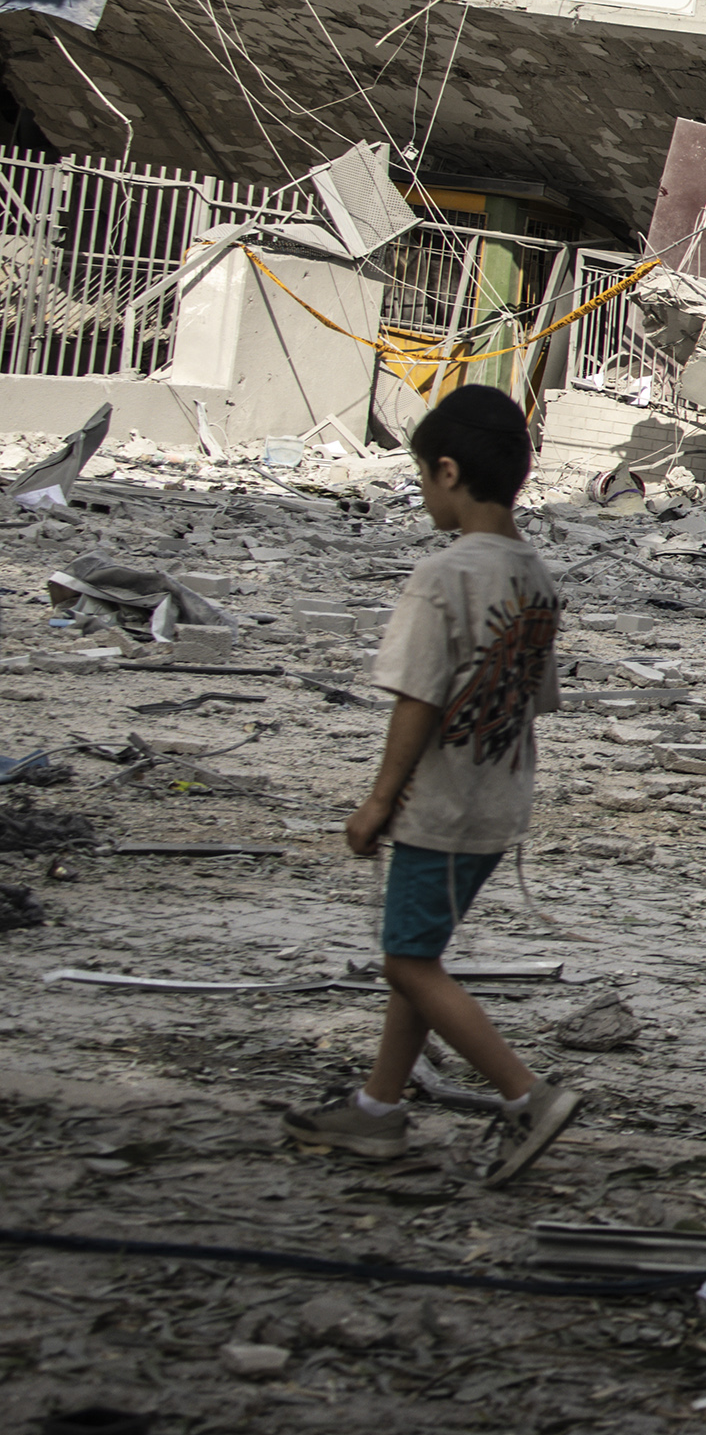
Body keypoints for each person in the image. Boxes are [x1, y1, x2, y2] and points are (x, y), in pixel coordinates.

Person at [286, 385, 582, 1180]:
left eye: (422, 477)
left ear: (448, 472)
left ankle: (526, 1094)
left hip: (441, 803)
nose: (423, 494)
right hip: (500, 801)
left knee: (407, 964)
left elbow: (417, 697)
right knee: (418, 956)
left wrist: (379, 799)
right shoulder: (538, 577)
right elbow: (533, 696)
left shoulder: (444, 575)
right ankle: (377, 1112)